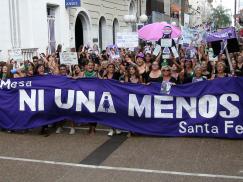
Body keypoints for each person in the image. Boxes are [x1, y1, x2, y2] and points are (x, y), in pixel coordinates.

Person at [103, 63, 122, 136]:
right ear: (107, 68)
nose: (111, 68)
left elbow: (123, 71)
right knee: (109, 113)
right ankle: (111, 129)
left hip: (116, 95)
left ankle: (117, 128)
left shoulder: (117, 75)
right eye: (109, 67)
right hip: (107, 96)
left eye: (112, 67)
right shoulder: (105, 76)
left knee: (116, 112)